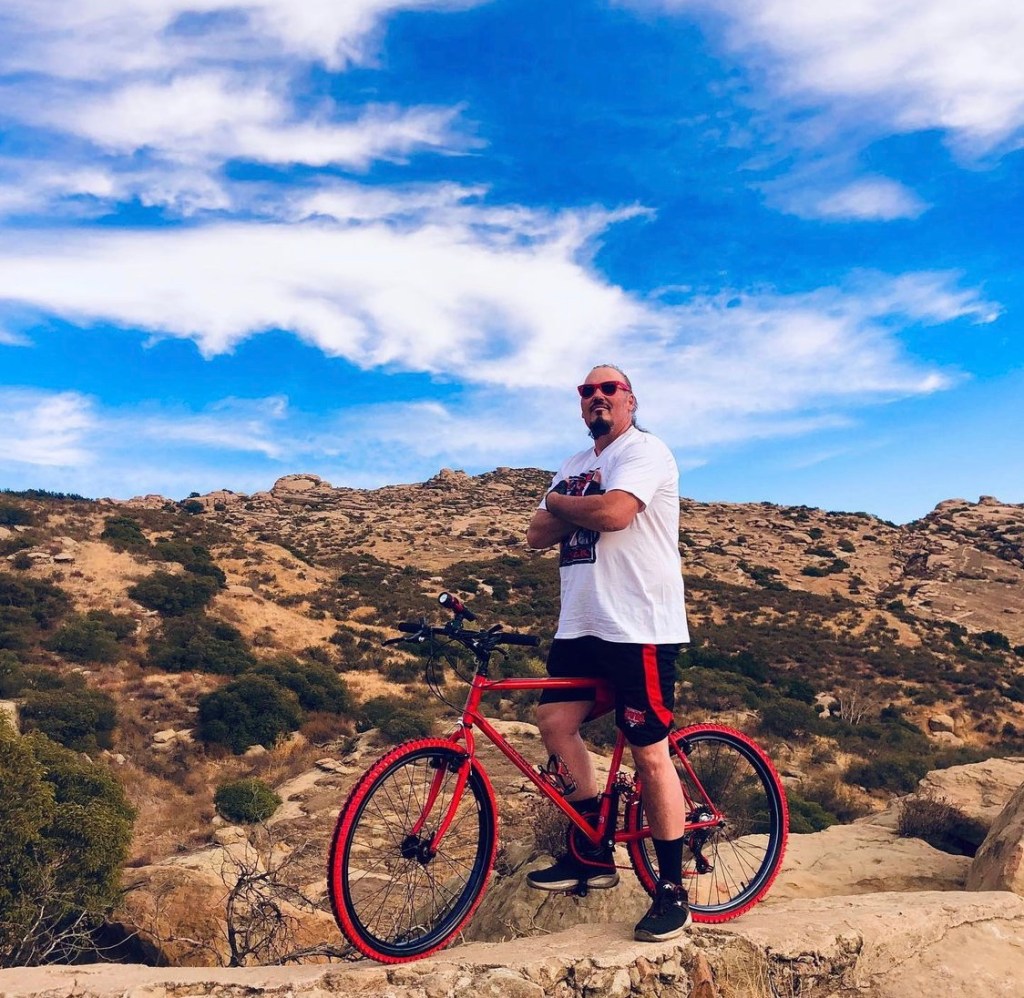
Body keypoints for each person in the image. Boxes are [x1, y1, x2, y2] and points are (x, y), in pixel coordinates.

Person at [525, 364, 692, 942]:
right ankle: (592, 853)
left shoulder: (646, 451)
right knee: (554, 722)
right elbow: (536, 535)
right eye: (587, 391)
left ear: (629, 400)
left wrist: (560, 502)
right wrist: (572, 501)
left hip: (637, 625)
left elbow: (616, 513)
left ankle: (672, 891)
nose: (597, 396)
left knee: (649, 753)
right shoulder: (572, 465)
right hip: (580, 625)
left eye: (608, 389)